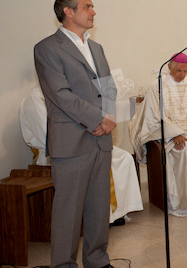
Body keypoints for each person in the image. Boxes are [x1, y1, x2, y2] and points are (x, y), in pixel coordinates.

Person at [34, 0, 127, 268]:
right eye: (87, 6)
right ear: (67, 11)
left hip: (100, 138)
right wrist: (98, 119)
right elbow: (60, 95)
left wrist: (111, 116)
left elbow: (108, 87)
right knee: (68, 209)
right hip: (71, 138)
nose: (93, 11)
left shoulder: (96, 47)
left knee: (98, 204)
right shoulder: (47, 48)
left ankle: (97, 261)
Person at [19, 86, 143, 226]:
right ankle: (101, 217)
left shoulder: (62, 94)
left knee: (124, 157)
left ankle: (117, 212)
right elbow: (47, 136)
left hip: (79, 143)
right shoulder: (35, 100)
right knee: (100, 160)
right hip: (56, 152)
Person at [129, 53, 187, 216]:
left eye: (185, 71)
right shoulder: (157, 85)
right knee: (185, 150)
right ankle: (182, 202)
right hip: (165, 135)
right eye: (179, 71)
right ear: (169, 67)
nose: (182, 75)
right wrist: (173, 134)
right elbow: (154, 116)